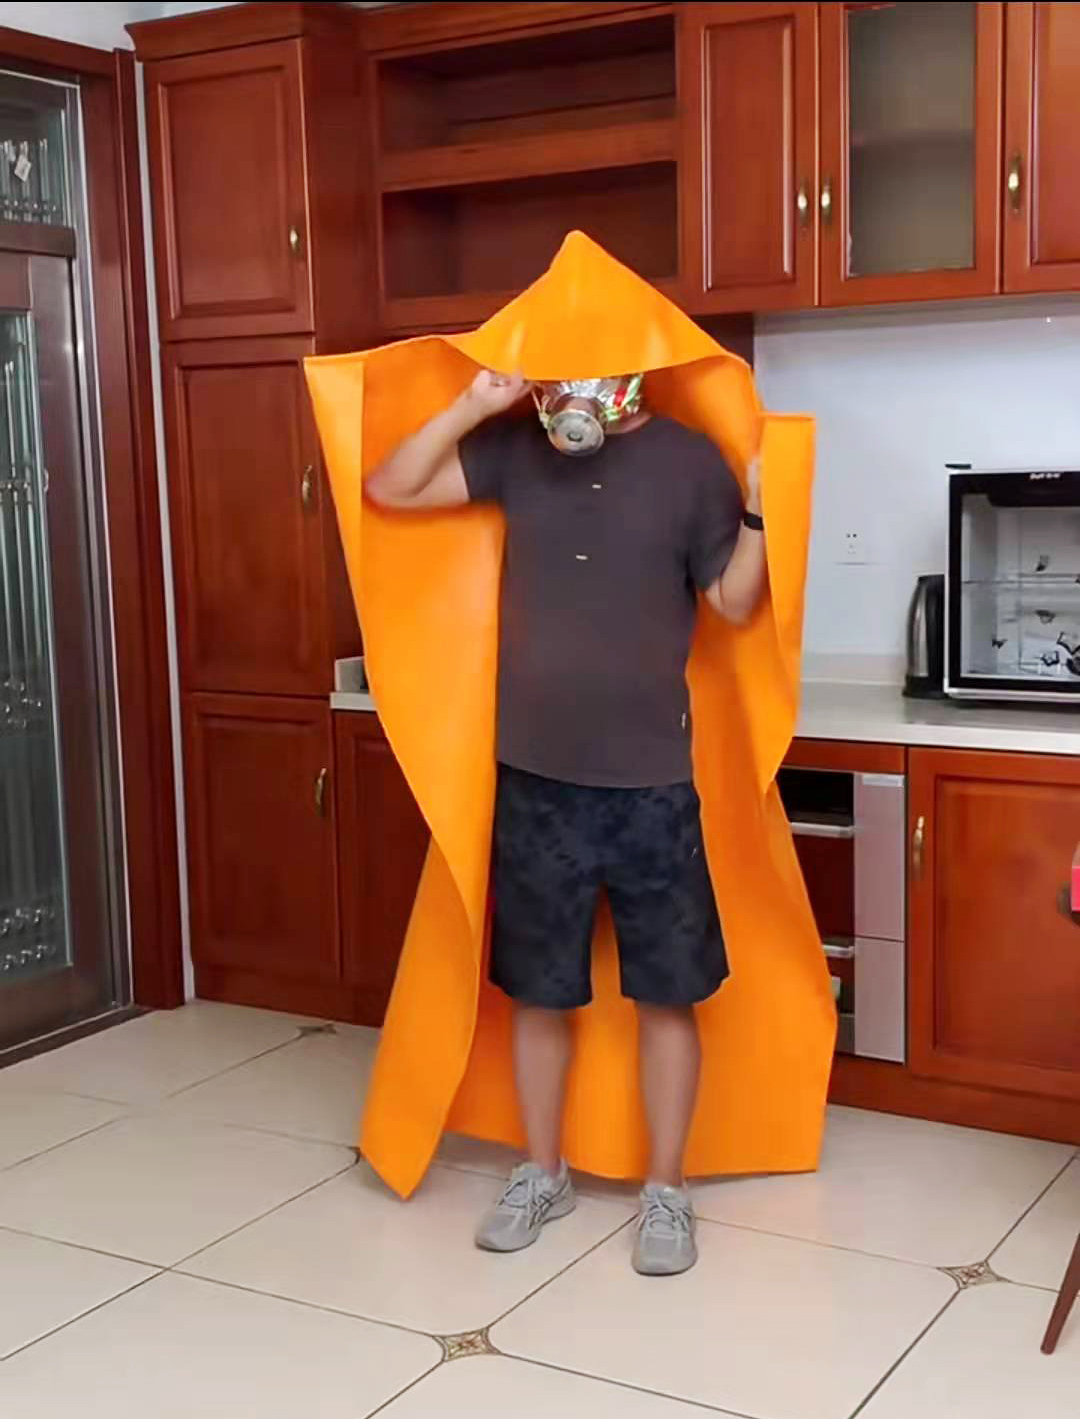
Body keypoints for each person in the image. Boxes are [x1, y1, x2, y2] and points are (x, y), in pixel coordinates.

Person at [366, 367, 767, 1276]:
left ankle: (667, 1189)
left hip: (652, 783)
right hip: (536, 780)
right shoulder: (515, 447)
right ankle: (543, 1172)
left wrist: (758, 509)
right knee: (539, 991)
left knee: (667, 991)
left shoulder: (688, 462)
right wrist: (474, 403)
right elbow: (392, 486)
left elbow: (734, 603)